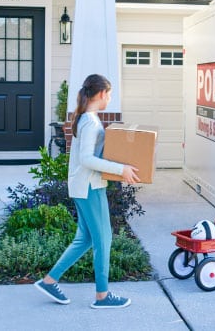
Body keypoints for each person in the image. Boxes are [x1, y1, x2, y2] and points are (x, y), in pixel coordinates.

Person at [34, 74, 140, 308]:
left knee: (85, 239)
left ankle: (49, 281)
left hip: (84, 186)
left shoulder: (85, 118)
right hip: (89, 187)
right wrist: (121, 169)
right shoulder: (90, 122)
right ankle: (102, 296)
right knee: (104, 238)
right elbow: (87, 159)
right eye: (109, 94)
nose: (109, 98)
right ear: (102, 94)